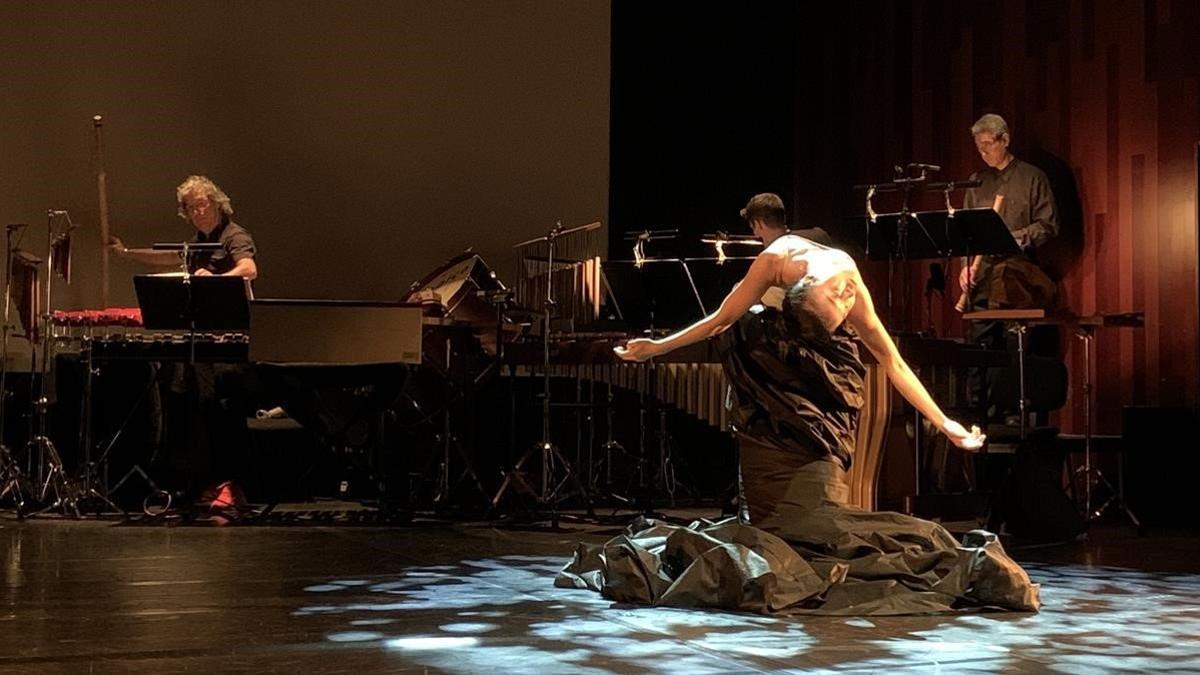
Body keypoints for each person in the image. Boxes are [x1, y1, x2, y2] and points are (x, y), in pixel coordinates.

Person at [557, 193, 1040, 614]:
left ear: (842, 296)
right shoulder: (779, 256)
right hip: (771, 379)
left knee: (815, 526)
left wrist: (945, 422)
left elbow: (893, 364)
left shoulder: (853, 291)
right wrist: (656, 348)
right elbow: (722, 318)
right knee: (770, 519)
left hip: (819, 390)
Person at [959, 114, 1058, 314]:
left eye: (987, 144)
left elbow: (1048, 225)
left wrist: (1010, 238)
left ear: (1005, 140)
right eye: (979, 146)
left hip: (1017, 278)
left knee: (1013, 340)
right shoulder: (976, 181)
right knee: (979, 341)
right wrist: (966, 266)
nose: (983, 152)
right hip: (982, 277)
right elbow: (967, 231)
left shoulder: (1032, 177)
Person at [110, 175, 258, 280]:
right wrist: (126, 252)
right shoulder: (199, 240)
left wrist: (216, 281)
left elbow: (249, 269)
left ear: (216, 204)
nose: (196, 212)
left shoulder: (234, 236)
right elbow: (170, 256)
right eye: (191, 208)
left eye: (201, 204)